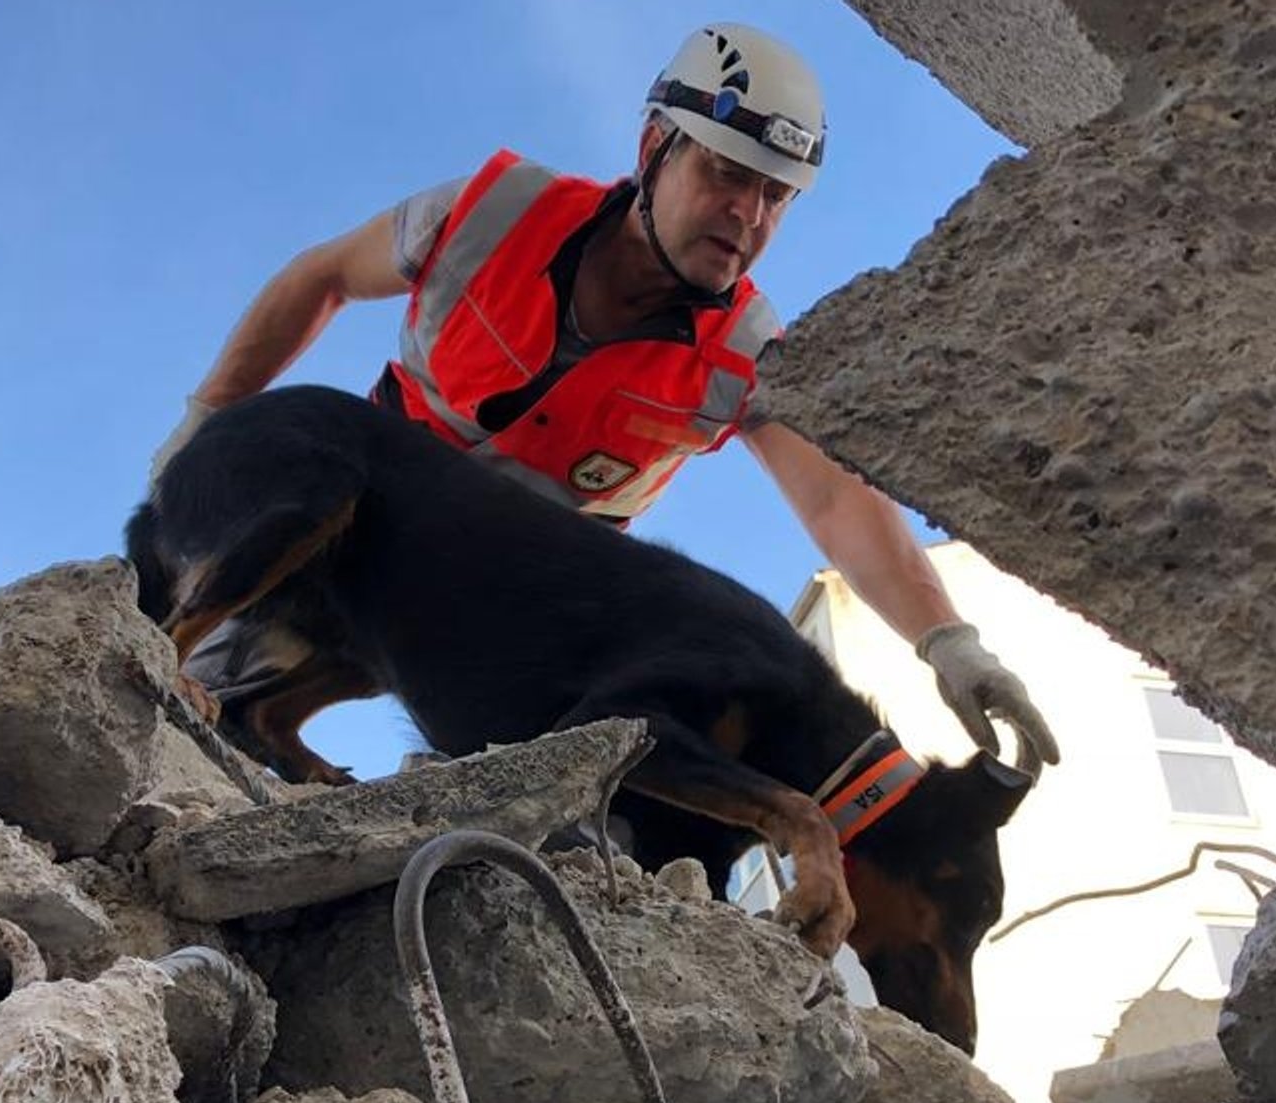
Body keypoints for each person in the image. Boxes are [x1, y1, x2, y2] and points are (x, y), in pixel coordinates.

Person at [147, 22, 1059, 771]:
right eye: (727, 173)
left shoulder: (745, 353)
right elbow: (321, 277)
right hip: (327, 537)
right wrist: (206, 424)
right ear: (653, 148)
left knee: (564, 791)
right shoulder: (491, 211)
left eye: (777, 196)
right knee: (159, 709)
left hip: (483, 614)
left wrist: (949, 643)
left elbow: (835, 500)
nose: (749, 215)